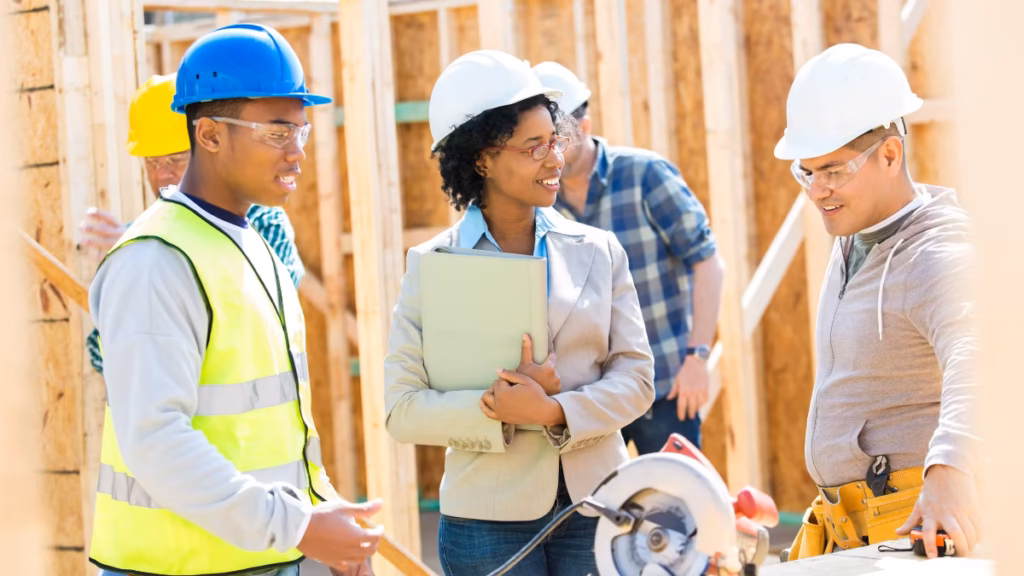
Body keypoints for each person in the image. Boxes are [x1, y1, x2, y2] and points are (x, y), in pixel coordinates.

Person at [88, 24, 380, 576]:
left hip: (259, 557)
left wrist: (321, 516)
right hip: (173, 566)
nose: (296, 153)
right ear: (210, 135)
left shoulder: (255, 246)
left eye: (301, 131)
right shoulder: (155, 261)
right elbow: (155, 440)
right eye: (276, 133)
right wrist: (298, 527)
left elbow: (270, 428)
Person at [383, 50, 655, 576]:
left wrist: (554, 412)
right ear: (482, 158)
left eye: (554, 140)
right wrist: (498, 408)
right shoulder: (431, 265)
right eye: (533, 148)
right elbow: (402, 407)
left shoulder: (600, 250)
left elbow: (638, 378)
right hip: (485, 524)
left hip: (594, 505)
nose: (554, 159)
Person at [774, 43, 981, 561]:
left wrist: (950, 471)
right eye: (806, 172)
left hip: (914, 526)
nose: (818, 190)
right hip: (852, 528)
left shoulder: (936, 253)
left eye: (834, 171)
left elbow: (982, 357)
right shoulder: (854, 235)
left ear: (890, 155)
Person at [532, 62, 723, 454]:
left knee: (673, 509)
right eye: (541, 143)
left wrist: (697, 357)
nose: (552, 154)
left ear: (584, 128)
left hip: (666, 389)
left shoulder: (645, 175)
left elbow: (706, 262)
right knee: (592, 514)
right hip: (588, 399)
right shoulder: (540, 205)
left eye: (560, 140)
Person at [79, 73, 305, 376]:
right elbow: (99, 351)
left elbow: (260, 316)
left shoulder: (263, 220)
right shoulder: (141, 239)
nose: (161, 176)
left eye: (175, 160)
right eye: (152, 163)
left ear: (210, 146)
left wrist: (157, 261)